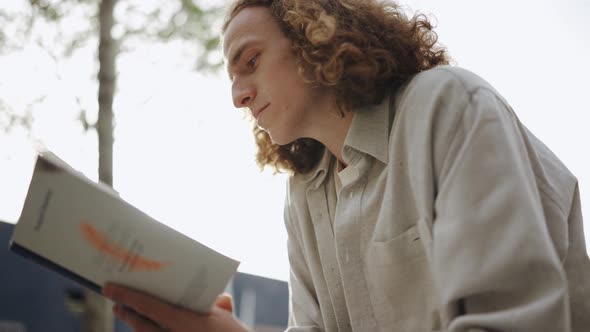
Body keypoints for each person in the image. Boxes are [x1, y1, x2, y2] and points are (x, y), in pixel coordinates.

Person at [102, 0, 590, 331]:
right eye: (231, 78)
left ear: (315, 32)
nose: (237, 96)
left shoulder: (447, 105)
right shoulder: (304, 194)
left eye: (250, 61)